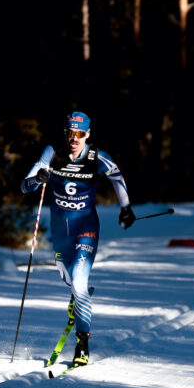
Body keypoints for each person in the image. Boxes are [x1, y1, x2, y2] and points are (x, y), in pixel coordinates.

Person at [21, 111, 135, 367]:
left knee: (80, 284)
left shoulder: (97, 156)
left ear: (88, 134)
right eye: (70, 133)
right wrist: (37, 180)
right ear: (65, 133)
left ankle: (82, 344)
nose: (74, 139)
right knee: (69, 279)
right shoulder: (52, 153)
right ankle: (76, 297)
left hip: (86, 227)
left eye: (80, 134)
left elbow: (117, 177)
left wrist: (126, 207)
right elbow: (25, 186)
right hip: (60, 230)